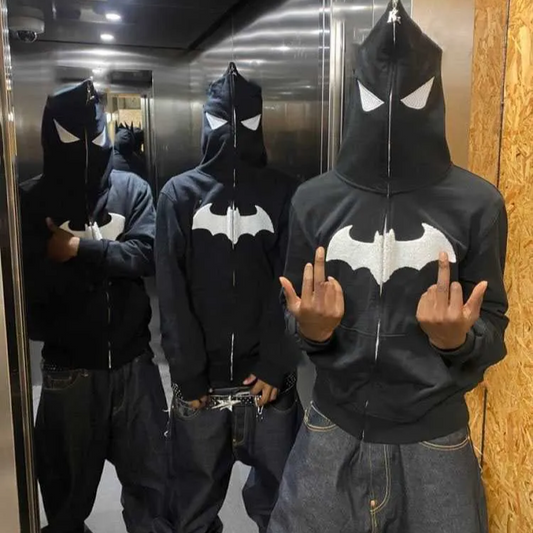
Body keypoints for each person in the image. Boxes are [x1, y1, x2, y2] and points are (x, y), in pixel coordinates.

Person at [268, 2, 509, 532]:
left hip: (434, 439)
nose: (393, 112)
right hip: (332, 426)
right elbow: (291, 312)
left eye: (413, 96)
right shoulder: (314, 202)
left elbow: (494, 328)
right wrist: (312, 331)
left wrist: (457, 341)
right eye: (376, 97)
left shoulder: (476, 205)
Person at [155, 62, 301, 533]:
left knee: (282, 510)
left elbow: (293, 284)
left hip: (269, 388)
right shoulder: (180, 196)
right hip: (204, 386)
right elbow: (171, 292)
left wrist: (277, 360)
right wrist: (187, 371)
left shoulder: (285, 194)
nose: (234, 133)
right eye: (222, 121)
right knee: (192, 511)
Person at [19, 80, 167, 533]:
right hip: (69, 370)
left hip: (134, 364)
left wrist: (78, 251)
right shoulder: (29, 200)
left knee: (155, 492)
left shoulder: (131, 189)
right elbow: (29, 292)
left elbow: (146, 254)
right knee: (64, 500)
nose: (87, 146)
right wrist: (99, 263)